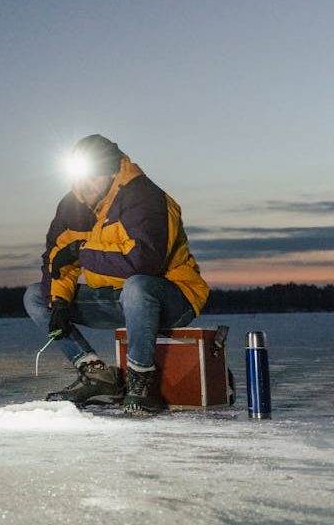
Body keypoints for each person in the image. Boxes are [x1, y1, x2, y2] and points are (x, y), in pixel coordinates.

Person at [24, 134, 209, 415]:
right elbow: (58, 257)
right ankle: (96, 374)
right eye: (80, 178)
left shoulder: (144, 197)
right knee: (36, 297)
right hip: (116, 300)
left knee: (136, 287)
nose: (84, 187)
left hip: (170, 297)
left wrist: (83, 252)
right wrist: (60, 302)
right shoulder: (73, 205)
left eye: (93, 178)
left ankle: (140, 380)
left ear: (112, 171)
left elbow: (144, 263)